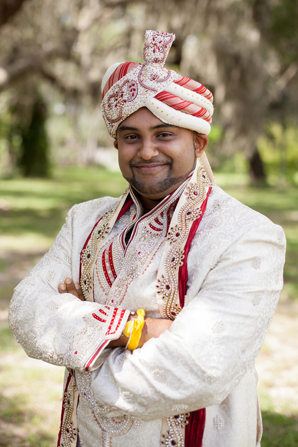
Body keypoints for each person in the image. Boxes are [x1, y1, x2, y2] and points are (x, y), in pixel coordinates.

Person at [8, 30, 286, 447]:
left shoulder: (246, 235)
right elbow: (27, 313)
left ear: (198, 141)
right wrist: (138, 329)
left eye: (164, 134)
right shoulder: (84, 220)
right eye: (131, 136)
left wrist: (79, 335)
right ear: (116, 143)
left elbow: (195, 370)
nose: (146, 151)